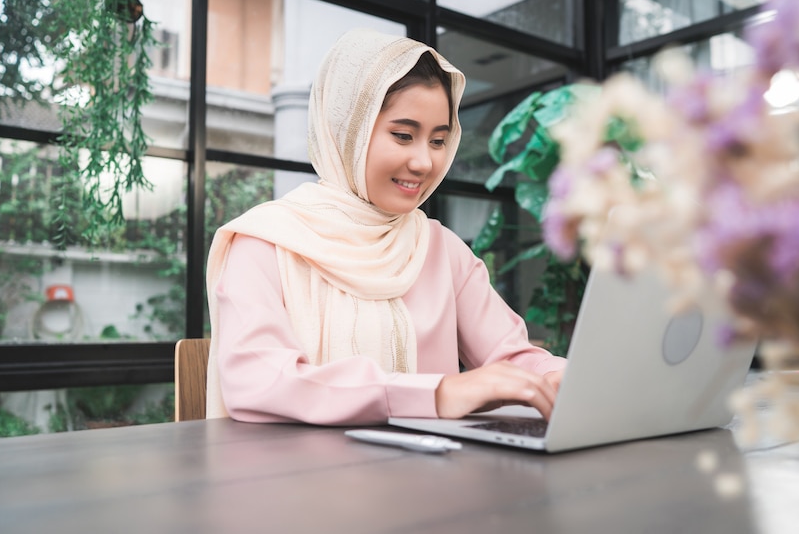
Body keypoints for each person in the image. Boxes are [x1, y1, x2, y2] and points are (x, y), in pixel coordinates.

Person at [205, 28, 566, 425]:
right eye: (403, 135)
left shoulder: (440, 250)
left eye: (438, 141)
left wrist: (556, 376)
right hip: (302, 480)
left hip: (434, 478)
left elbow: (512, 358)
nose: (425, 163)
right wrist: (438, 393)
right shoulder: (264, 243)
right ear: (349, 133)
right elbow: (259, 381)